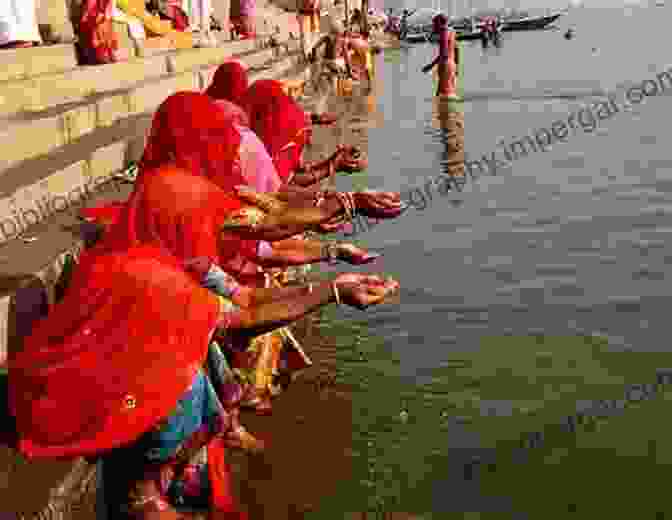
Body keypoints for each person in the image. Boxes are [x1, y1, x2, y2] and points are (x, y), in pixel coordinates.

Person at [9, 237, 399, 519]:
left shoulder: (143, 328)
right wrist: (332, 285)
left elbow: (242, 309)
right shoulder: (161, 380)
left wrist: (333, 286)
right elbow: (244, 309)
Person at [422, 14, 459, 99]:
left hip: (445, 66)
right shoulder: (452, 32)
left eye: (434, 24)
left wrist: (430, 66)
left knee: (445, 97)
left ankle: (448, 112)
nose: (433, 26)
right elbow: (457, 49)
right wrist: (457, 67)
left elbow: (444, 53)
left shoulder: (444, 32)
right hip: (451, 65)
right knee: (442, 96)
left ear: (440, 23)